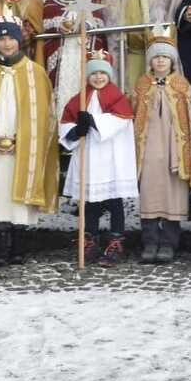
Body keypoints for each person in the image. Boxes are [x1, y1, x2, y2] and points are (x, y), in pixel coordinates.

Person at [0, 19, 58, 267]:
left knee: (19, 198)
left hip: (23, 146)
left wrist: (22, 137)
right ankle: (0, 245)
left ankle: (18, 245)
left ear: (20, 40)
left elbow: (44, 114)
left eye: (11, 39)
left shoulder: (35, 73)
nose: (7, 44)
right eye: (2, 39)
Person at [60, 50, 139, 267]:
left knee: (114, 201)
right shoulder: (79, 99)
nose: (98, 77)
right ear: (87, 76)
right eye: (94, 73)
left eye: (102, 73)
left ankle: (116, 242)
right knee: (89, 202)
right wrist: (76, 131)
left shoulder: (117, 97)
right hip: (88, 157)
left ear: (109, 75)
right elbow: (65, 124)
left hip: (111, 157)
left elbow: (121, 121)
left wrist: (94, 121)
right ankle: (90, 240)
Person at [130, 27, 191, 264]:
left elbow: (190, 120)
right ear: (150, 60)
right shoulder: (141, 84)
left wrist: (189, 153)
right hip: (148, 148)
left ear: (172, 60)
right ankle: (150, 241)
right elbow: (134, 116)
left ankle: (170, 242)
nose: (160, 61)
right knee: (150, 193)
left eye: (165, 56)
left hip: (175, 150)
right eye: (156, 56)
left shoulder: (182, 85)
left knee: (173, 194)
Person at [43, 0, 105, 135]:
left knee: (82, 90)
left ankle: (82, 130)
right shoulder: (53, 1)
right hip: (62, 57)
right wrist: (60, 25)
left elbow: (99, 25)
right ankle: (62, 132)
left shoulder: (89, 2)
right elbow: (46, 23)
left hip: (82, 54)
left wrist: (86, 24)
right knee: (61, 93)